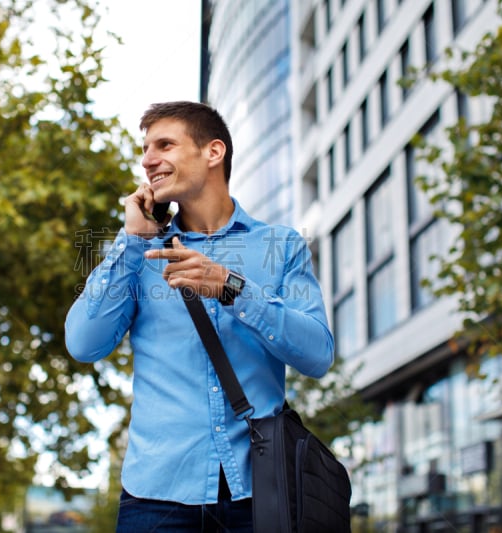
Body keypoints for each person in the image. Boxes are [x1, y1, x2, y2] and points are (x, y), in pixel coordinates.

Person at [64, 101, 334, 532]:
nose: (148, 159)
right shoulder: (138, 251)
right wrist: (133, 240)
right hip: (156, 497)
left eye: (165, 145)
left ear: (213, 152)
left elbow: (318, 354)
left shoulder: (281, 246)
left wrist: (233, 288)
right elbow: (82, 342)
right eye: (146, 148)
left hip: (259, 496)